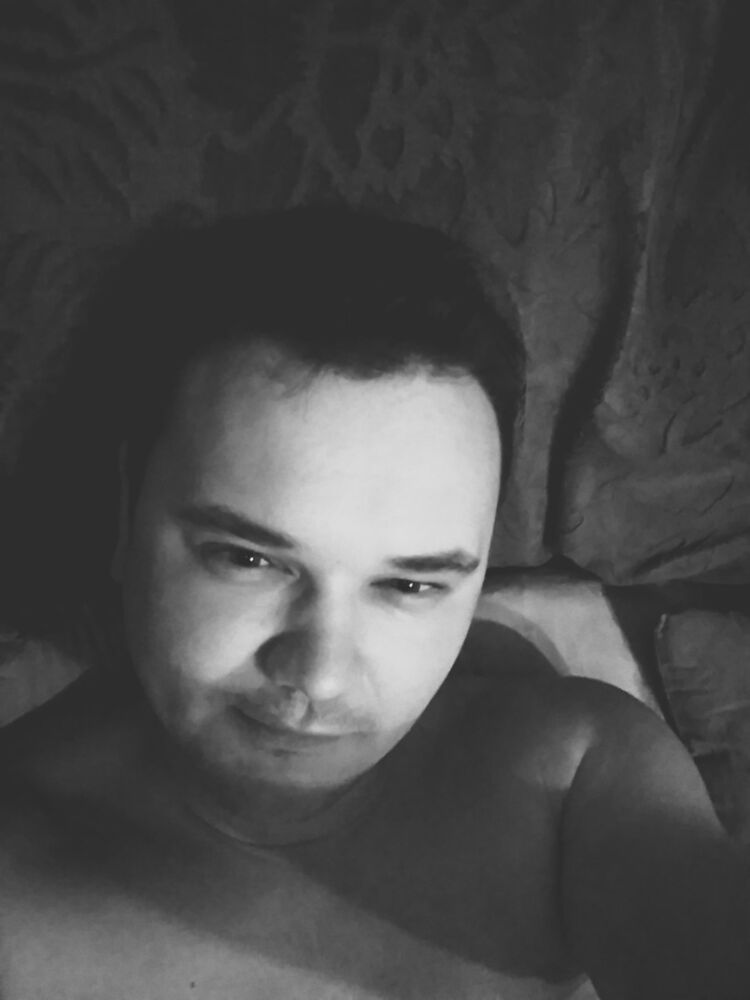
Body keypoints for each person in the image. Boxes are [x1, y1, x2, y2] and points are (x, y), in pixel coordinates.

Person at [0, 207, 747, 1000]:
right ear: (126, 516)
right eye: (248, 559)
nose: (319, 676)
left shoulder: (576, 779)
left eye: (411, 585)